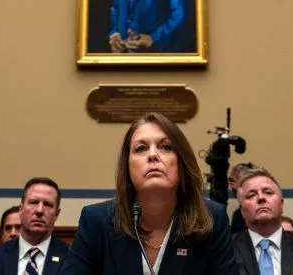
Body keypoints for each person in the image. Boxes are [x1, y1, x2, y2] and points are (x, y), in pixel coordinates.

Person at [58, 111, 237, 275]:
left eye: (165, 147)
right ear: (127, 167)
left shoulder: (213, 219)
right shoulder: (96, 221)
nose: (152, 155)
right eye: (141, 149)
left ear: (182, 163)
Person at [230, 167, 293, 275]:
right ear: (242, 210)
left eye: (268, 192)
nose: (261, 197)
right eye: (251, 195)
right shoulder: (227, 251)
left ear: (281, 204)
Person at [0, 178, 69, 275]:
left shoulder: (73, 259)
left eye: (47, 204)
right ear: (21, 209)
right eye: (33, 202)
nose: (39, 210)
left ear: (56, 214)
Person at [228, 164, 256, 235]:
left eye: (234, 181)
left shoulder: (259, 212)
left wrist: (241, 191)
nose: (232, 186)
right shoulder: (237, 214)